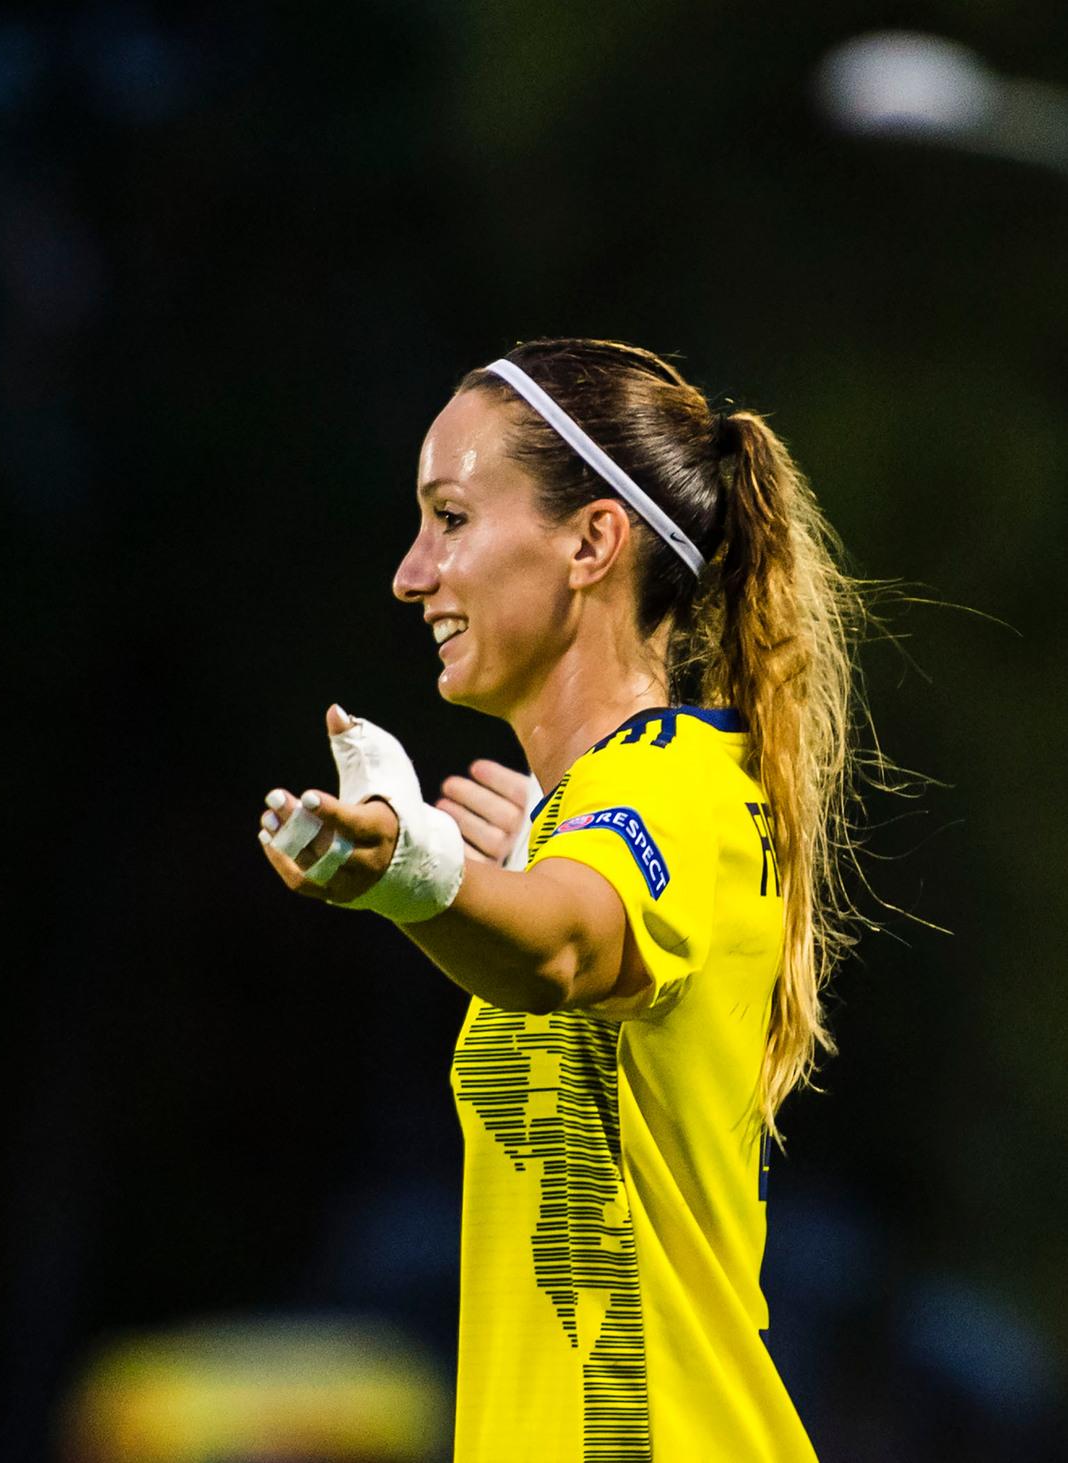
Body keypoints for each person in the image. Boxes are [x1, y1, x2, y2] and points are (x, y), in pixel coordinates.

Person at [256, 338, 864, 1461]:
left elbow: (562, 948)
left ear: (590, 541)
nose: (408, 572)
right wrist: (516, 862)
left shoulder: (682, 783)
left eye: (449, 517)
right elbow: (561, 905)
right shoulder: (597, 811)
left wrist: (411, 874)